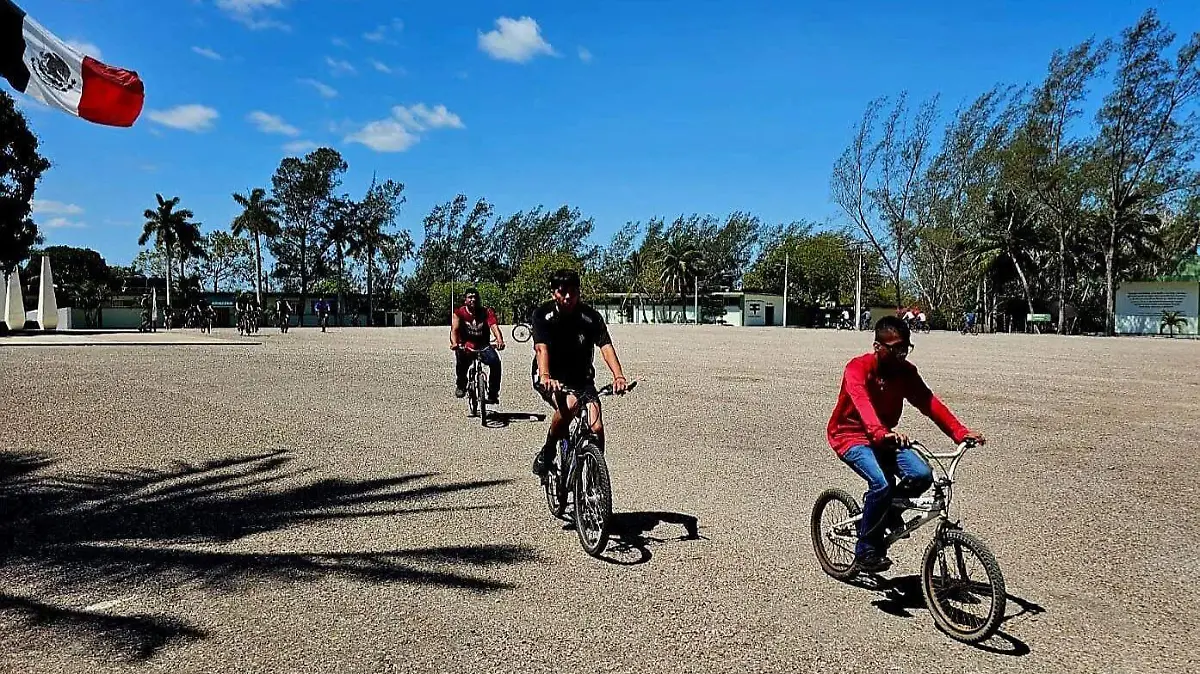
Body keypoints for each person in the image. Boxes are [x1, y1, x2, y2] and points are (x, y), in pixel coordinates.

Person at [826, 316, 985, 572]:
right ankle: (866, 548)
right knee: (882, 483)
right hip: (850, 436)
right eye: (895, 348)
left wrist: (960, 432)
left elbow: (928, 402)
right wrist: (880, 433)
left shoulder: (906, 372)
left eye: (905, 347)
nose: (901, 354)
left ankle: (883, 515)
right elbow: (862, 403)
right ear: (878, 346)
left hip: (883, 435)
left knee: (922, 475)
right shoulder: (858, 368)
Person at [530, 269, 630, 477]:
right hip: (551, 376)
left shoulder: (590, 317)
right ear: (553, 293)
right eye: (562, 292)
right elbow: (542, 349)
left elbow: (606, 346)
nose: (568, 297)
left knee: (597, 428)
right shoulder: (543, 315)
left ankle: (595, 478)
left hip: (581, 378)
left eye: (573, 291)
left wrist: (618, 376)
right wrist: (546, 376)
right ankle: (548, 451)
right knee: (571, 405)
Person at [450, 288, 505, 402]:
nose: (473, 300)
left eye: (475, 297)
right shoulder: (459, 313)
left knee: (495, 362)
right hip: (466, 345)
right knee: (461, 365)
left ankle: (493, 393)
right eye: (470, 297)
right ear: (465, 300)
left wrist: (500, 340)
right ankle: (461, 385)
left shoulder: (486, 312)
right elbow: (454, 330)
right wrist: (454, 343)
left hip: (483, 345)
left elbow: (494, 326)